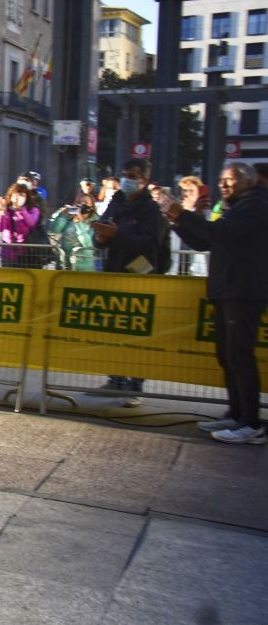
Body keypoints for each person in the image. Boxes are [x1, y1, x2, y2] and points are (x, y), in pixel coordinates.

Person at [155, 163, 268, 444]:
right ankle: (236, 412)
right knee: (228, 356)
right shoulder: (237, 206)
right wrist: (176, 219)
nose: (224, 184)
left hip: (242, 291)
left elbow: (218, 234)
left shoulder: (255, 205)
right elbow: (203, 242)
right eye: (222, 180)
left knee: (239, 356)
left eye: (232, 180)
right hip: (227, 288)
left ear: (249, 182)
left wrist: (181, 214)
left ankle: (250, 423)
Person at [92, 157, 170, 399]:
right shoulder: (116, 200)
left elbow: (151, 244)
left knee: (137, 332)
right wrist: (101, 238)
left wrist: (118, 234)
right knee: (113, 330)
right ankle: (115, 379)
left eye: (133, 176)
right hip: (114, 272)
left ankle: (135, 384)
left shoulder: (151, 209)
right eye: (125, 174)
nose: (127, 179)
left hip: (141, 276)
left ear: (144, 180)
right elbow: (103, 234)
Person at [0, 182, 41, 267]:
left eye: (22, 195)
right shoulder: (6, 209)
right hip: (8, 253)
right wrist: (2, 212)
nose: (18, 197)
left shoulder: (33, 209)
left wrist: (21, 210)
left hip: (26, 253)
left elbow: (31, 223)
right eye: (16, 195)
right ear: (11, 196)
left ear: (27, 197)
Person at [47, 196, 98, 270]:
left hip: (84, 268)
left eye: (86, 203)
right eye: (79, 202)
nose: (82, 204)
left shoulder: (94, 223)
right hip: (64, 265)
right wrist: (62, 216)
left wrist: (80, 223)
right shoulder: (70, 219)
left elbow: (89, 247)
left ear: (92, 207)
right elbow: (54, 231)